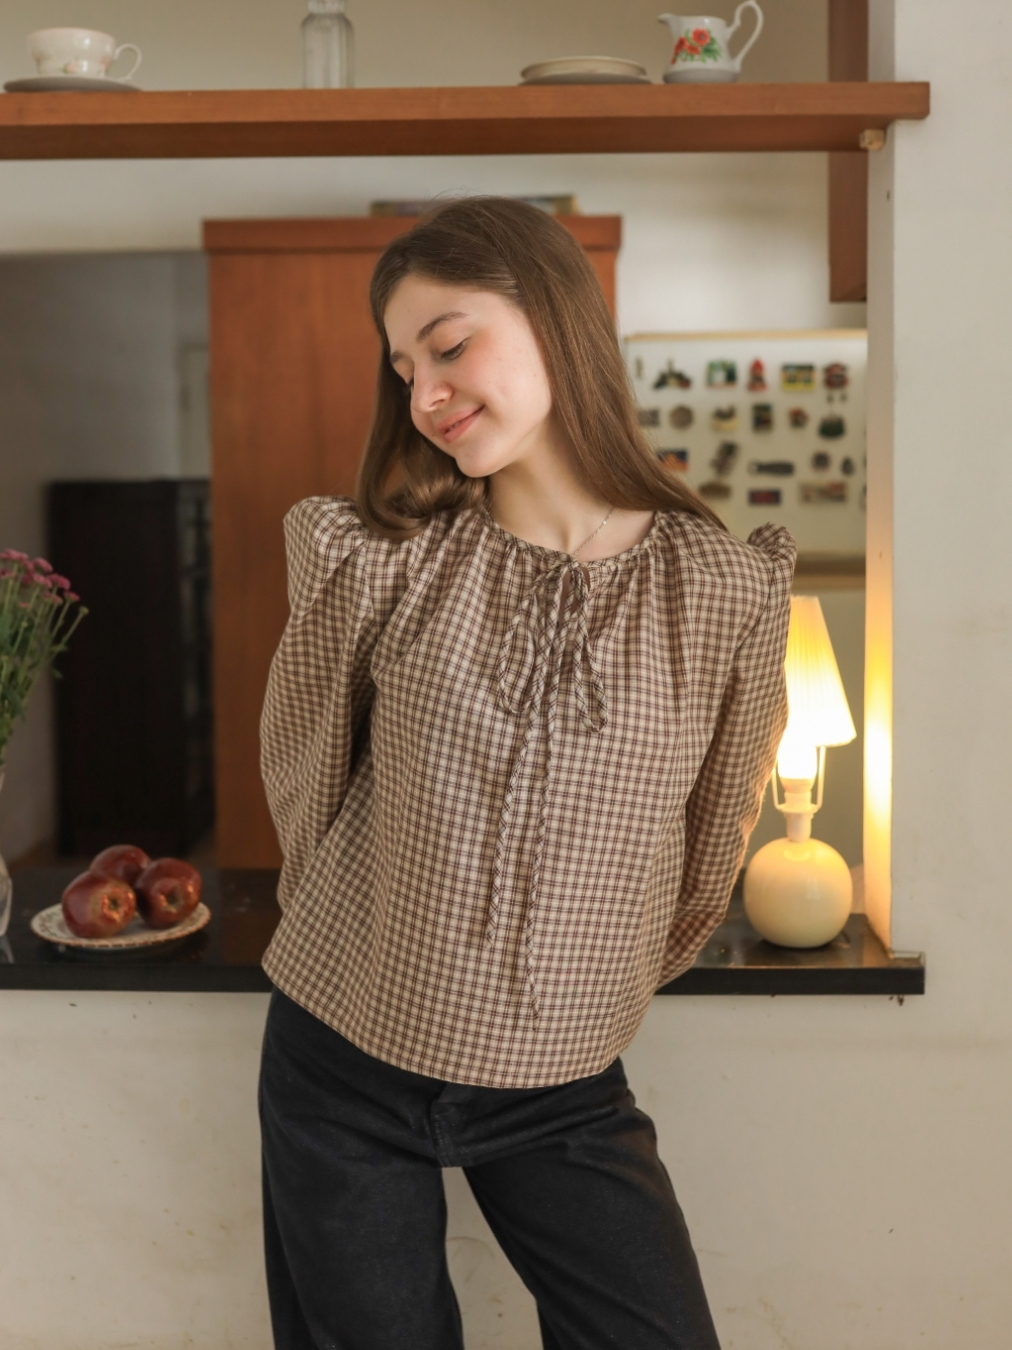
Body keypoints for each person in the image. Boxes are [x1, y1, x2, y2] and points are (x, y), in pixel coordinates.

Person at [256, 195, 795, 1350]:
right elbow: (307, 776)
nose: (425, 393)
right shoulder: (382, 562)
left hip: (562, 1082)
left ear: (554, 317)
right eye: (405, 369)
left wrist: (576, 983)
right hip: (341, 1054)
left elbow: (709, 847)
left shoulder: (721, 591)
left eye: (449, 344)